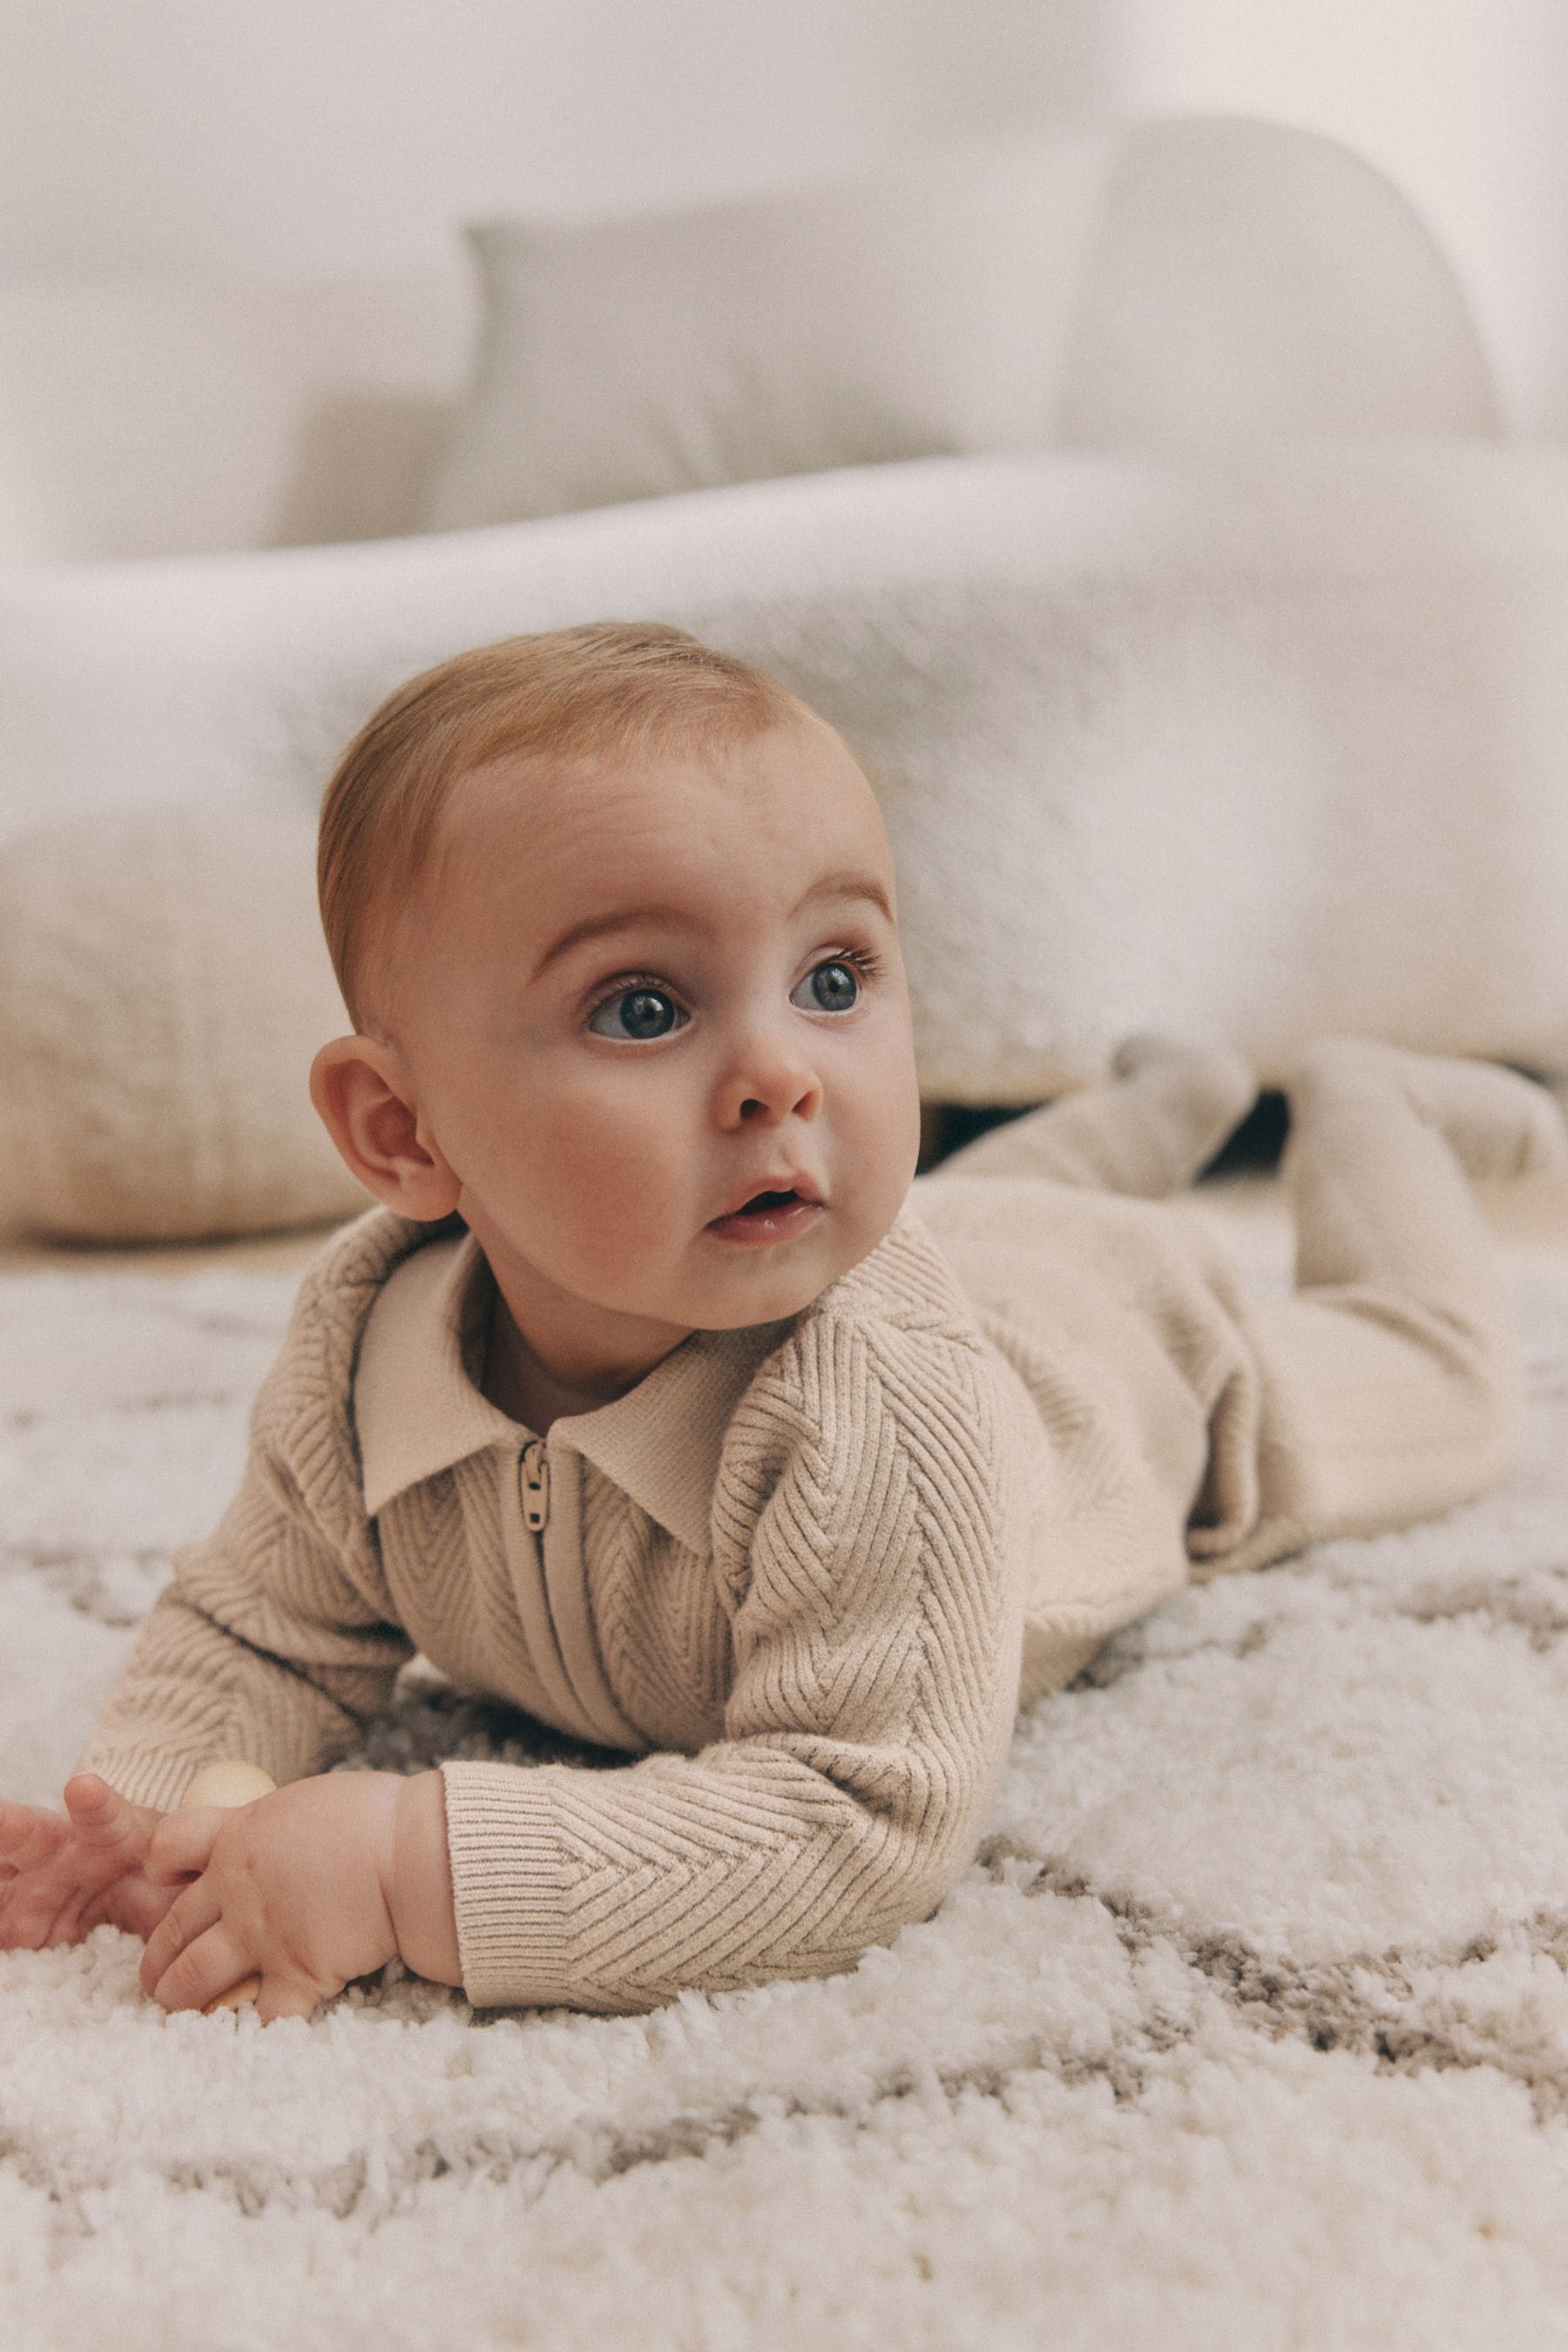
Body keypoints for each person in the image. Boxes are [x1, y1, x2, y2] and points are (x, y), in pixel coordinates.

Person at [1, 623, 1560, 2024]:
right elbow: (260, 1623)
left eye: (834, 976)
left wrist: (415, 1862)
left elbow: (858, 1818)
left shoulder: (885, 1407)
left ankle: (1369, 1108)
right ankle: (1155, 1103)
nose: (781, 1071)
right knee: (970, 1212)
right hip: (962, 1249)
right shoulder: (364, 1358)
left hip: (1138, 1367)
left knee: (1436, 1381)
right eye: (644, 1008)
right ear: (405, 1132)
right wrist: (125, 1811)